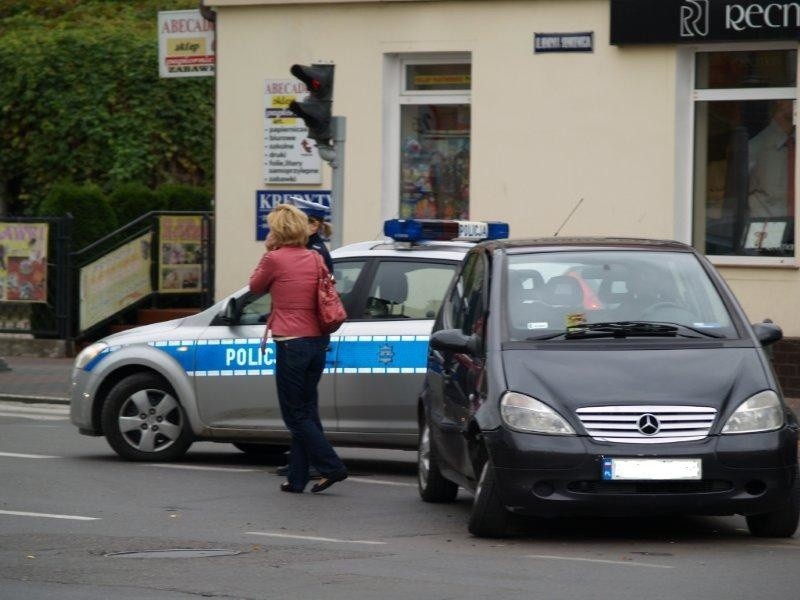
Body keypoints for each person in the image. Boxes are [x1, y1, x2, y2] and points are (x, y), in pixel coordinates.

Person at [249, 203, 348, 494]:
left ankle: (332, 466)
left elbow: (255, 287)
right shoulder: (315, 257)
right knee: (305, 409)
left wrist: (268, 250)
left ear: (278, 230)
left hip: (291, 343)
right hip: (318, 340)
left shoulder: (275, 259)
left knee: (294, 414)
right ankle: (297, 478)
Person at [274, 196, 334, 478]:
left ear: (314, 225)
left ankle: (325, 464)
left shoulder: (313, 253)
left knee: (299, 411)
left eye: (304, 221)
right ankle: (300, 469)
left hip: (299, 337)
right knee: (305, 408)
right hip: (314, 337)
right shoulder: (312, 251)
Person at [748, 99, 795, 218]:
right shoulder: (754, 148)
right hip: (768, 230)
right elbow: (737, 197)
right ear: (779, 101)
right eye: (791, 98)